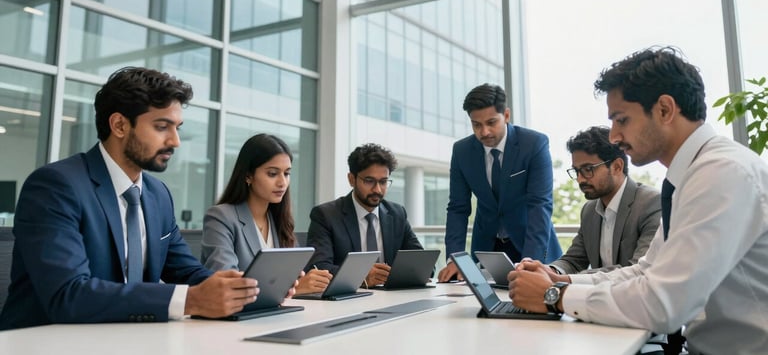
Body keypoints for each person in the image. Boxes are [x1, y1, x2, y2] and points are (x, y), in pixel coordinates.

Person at [508, 47, 768, 355]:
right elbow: (644, 271)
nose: (614, 137)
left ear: (664, 110)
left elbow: (663, 304)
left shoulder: (721, 174)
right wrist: (562, 281)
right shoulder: (689, 177)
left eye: (621, 120)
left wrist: (555, 295)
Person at [0, 67, 260, 330]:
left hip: (128, 338)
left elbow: (188, 272)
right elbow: (67, 295)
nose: (176, 141)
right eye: (162, 127)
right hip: (42, 341)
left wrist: (243, 290)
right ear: (120, 125)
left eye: (177, 128)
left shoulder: (158, 195)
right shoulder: (55, 186)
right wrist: (191, 300)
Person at [438, 83, 561, 282]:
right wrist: (455, 258)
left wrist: (531, 261)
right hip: (487, 250)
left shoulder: (534, 144)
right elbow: (457, 209)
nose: (484, 132)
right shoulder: (461, 151)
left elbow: (540, 205)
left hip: (530, 246)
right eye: (476, 125)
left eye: (491, 122)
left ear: (506, 115)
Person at [200, 133, 332, 295]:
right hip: (237, 318)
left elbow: (296, 276)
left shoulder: (279, 220)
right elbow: (227, 285)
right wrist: (292, 288)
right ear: (248, 175)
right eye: (272, 173)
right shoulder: (221, 217)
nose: (282, 182)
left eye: (287, 173)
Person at [305, 143, 423, 287]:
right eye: (369, 181)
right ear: (351, 179)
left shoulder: (397, 214)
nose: (377, 189)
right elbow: (318, 268)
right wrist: (361, 276)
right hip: (347, 300)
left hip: (391, 298)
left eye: (383, 182)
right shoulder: (326, 215)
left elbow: (423, 265)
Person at [549, 126, 661, 275]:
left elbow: (637, 270)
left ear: (617, 167)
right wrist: (547, 271)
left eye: (588, 169)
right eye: (576, 171)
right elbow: (573, 261)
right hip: (599, 296)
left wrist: (570, 280)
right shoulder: (589, 210)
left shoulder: (650, 203)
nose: (580, 179)